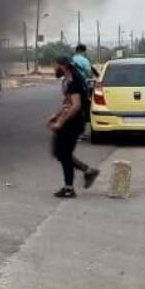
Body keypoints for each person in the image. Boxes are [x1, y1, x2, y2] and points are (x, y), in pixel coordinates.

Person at [48, 56, 99, 198]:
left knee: (63, 154)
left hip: (73, 123)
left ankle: (69, 188)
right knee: (60, 153)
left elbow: (76, 106)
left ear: (63, 66)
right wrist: (56, 115)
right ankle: (87, 171)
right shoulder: (68, 80)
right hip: (69, 121)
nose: (54, 68)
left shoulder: (74, 82)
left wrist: (60, 122)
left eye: (55, 65)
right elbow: (67, 102)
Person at [71, 44, 99, 138]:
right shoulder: (84, 60)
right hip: (82, 87)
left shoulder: (71, 60)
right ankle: (80, 132)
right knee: (84, 109)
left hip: (71, 87)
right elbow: (89, 73)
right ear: (83, 51)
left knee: (73, 108)